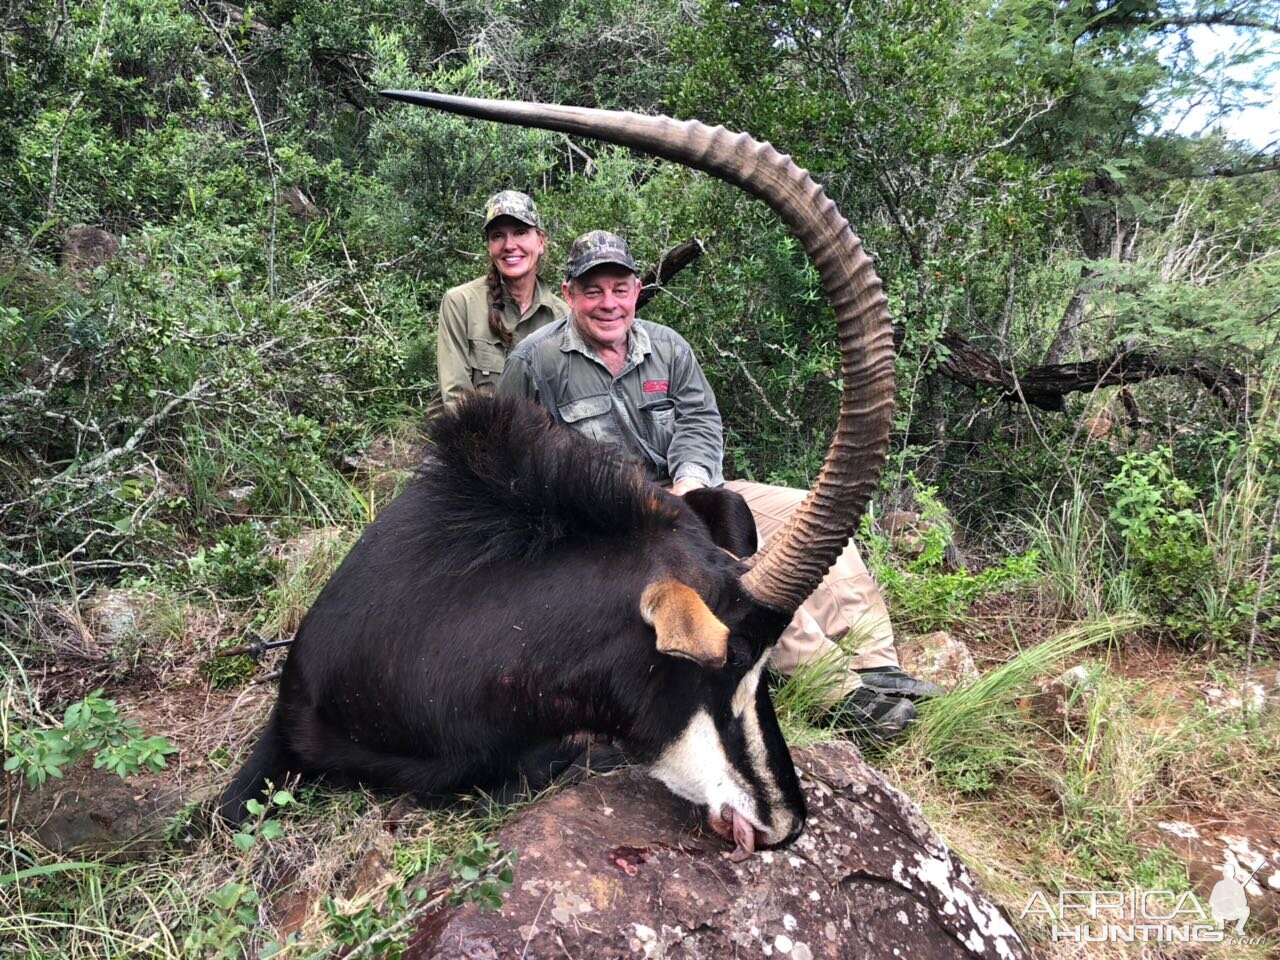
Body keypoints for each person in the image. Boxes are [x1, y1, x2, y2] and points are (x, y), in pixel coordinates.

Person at [497, 230, 942, 739]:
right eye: (593, 291)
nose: (608, 303)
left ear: (637, 289)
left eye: (619, 288)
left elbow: (700, 421)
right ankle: (837, 694)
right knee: (725, 566)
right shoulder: (535, 362)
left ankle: (876, 665)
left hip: (692, 492)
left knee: (814, 513)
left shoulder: (667, 347)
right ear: (570, 293)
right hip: (616, 528)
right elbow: (517, 460)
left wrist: (690, 484)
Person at [436, 190, 568, 407]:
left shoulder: (564, 317)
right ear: (489, 246)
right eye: (498, 235)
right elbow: (456, 399)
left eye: (520, 232)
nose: (509, 245)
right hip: (476, 437)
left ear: (541, 242)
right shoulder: (460, 303)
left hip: (545, 440)